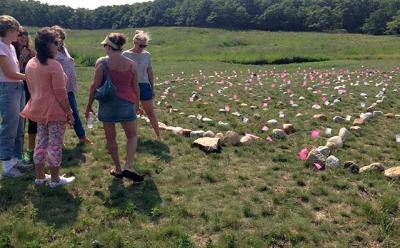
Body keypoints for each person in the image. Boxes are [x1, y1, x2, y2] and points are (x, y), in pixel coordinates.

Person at [20, 27, 75, 187]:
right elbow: (61, 93)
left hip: (38, 110)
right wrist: (69, 112)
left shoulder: (31, 62)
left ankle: (39, 177)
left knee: (41, 142)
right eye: (56, 43)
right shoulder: (54, 65)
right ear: (47, 45)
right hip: (55, 111)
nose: (59, 45)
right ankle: (56, 180)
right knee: (55, 144)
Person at [85, 33, 143, 182]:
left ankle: (117, 169)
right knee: (132, 136)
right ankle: (128, 166)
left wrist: (89, 106)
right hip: (127, 103)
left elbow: (94, 86)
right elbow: (135, 87)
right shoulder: (131, 64)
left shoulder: (102, 63)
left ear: (109, 47)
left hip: (107, 105)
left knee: (111, 139)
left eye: (105, 45)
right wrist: (137, 104)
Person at [51, 25, 92, 146]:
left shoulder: (64, 49)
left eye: (63, 38)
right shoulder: (52, 52)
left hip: (69, 87)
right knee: (62, 114)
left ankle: (82, 137)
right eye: (59, 38)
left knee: (73, 113)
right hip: (59, 87)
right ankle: (59, 141)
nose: (61, 41)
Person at [0, 15, 29, 178]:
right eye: (16, 31)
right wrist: (29, 76)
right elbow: (9, 73)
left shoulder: (10, 47)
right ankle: (7, 164)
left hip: (17, 87)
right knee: (9, 126)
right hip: (7, 88)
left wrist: (24, 77)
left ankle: (16, 159)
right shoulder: (0, 46)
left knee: (19, 126)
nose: (18, 34)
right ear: (8, 30)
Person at [123, 30, 160, 140]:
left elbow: (149, 71)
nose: (142, 47)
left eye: (145, 45)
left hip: (144, 85)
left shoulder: (147, 55)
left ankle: (158, 135)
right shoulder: (126, 54)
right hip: (130, 86)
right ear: (134, 42)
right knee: (133, 112)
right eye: (141, 45)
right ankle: (133, 137)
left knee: (150, 111)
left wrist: (152, 87)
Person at [12, 26, 37, 164]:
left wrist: (33, 57)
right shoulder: (12, 51)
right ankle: (18, 152)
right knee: (20, 121)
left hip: (31, 89)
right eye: (20, 34)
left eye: (26, 34)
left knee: (33, 119)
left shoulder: (31, 51)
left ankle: (31, 149)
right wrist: (21, 57)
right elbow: (15, 71)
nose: (23, 36)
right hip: (18, 89)